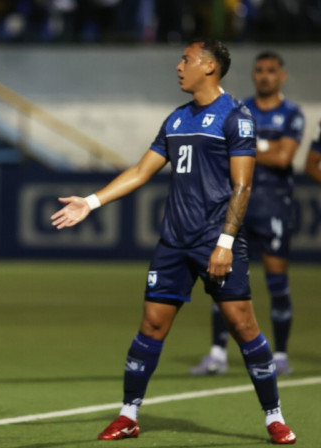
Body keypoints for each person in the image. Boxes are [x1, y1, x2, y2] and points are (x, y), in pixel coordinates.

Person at [50, 39, 297, 444]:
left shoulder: (236, 117)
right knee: (150, 326)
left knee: (243, 326)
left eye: (186, 59)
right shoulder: (178, 119)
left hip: (216, 241)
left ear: (210, 68)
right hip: (173, 243)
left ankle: (274, 416)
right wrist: (91, 203)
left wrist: (224, 243)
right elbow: (141, 170)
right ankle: (129, 414)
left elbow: (242, 186)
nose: (178, 66)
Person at [191, 51, 304, 377]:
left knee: (277, 283)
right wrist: (267, 147)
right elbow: (226, 153)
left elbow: (285, 159)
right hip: (236, 206)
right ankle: (217, 354)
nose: (265, 76)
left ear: (281, 76)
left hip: (273, 206)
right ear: (254, 76)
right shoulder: (240, 110)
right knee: (222, 280)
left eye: (271, 71)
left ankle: (280, 355)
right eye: (260, 71)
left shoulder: (292, 114)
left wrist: (251, 147)